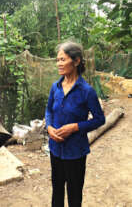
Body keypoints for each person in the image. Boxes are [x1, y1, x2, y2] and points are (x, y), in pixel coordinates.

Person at [45, 41, 105, 207]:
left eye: (62, 60)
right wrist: (49, 127)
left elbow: (100, 119)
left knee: (74, 195)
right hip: (55, 149)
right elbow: (48, 111)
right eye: (57, 60)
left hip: (75, 152)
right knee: (56, 191)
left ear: (76, 61)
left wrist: (75, 127)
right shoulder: (55, 87)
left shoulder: (87, 91)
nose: (58, 64)